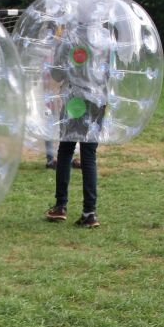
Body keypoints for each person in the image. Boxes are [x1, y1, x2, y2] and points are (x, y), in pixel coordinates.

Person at [45, 16, 105, 228]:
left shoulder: (69, 37)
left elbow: (57, 73)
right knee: (89, 155)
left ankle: (60, 206)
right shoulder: (104, 37)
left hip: (75, 100)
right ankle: (90, 212)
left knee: (66, 149)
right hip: (97, 100)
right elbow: (109, 71)